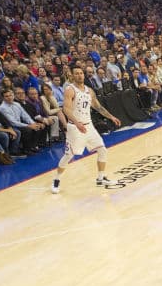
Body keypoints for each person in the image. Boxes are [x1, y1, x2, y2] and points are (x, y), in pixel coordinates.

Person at [51, 66, 121, 194]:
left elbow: (98, 107)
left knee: (102, 150)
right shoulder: (70, 90)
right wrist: (77, 123)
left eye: (81, 73)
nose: (79, 75)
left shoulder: (89, 90)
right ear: (72, 76)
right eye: (76, 73)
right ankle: (57, 180)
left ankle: (100, 178)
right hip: (75, 127)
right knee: (68, 155)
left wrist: (111, 117)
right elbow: (66, 109)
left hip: (88, 126)